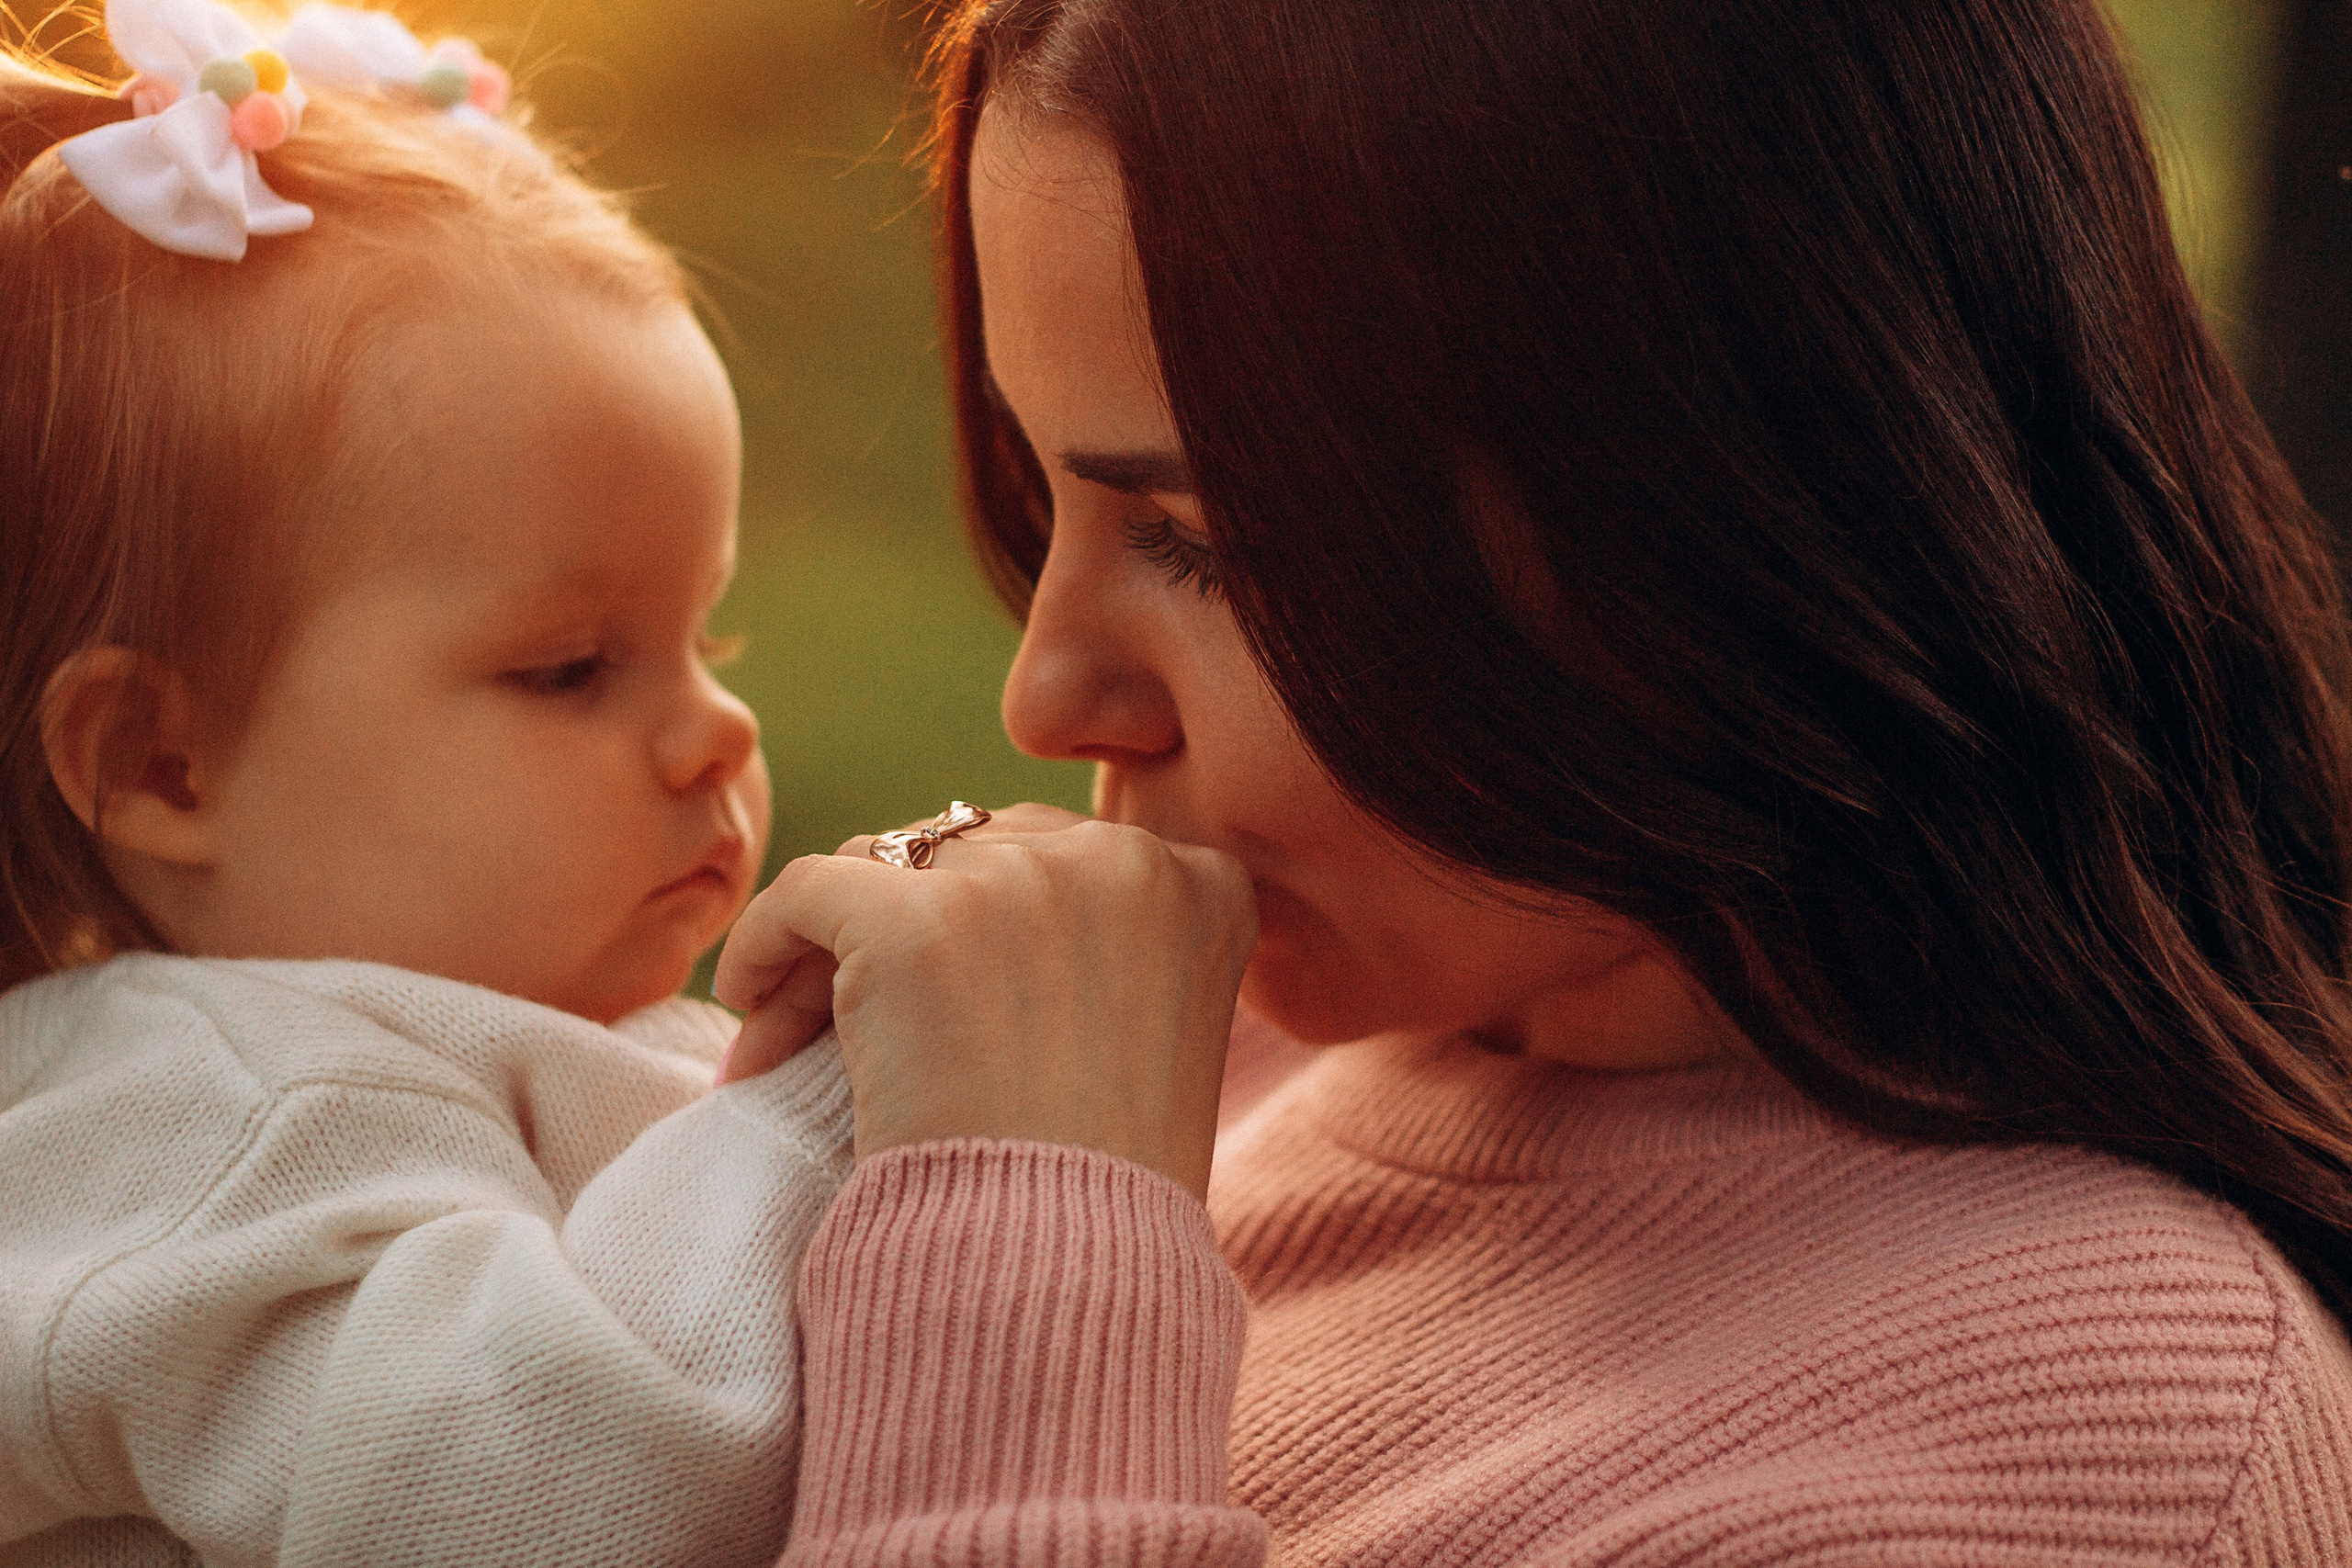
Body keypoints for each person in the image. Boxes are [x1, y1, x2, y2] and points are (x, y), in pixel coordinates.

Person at [713, 0, 2352, 1561]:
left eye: (1209, 546)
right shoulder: (1214, 1035)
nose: (1044, 693)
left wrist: (1035, 1251)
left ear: (1740, 506)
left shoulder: (2108, 1450)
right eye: (1036, 486)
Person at [0, 5, 852, 1562]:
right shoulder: (195, 1123)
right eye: (571, 669)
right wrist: (824, 1114)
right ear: (158, 764)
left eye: (705, 631)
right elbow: (546, 1504)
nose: (715, 732)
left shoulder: (395, 1033)